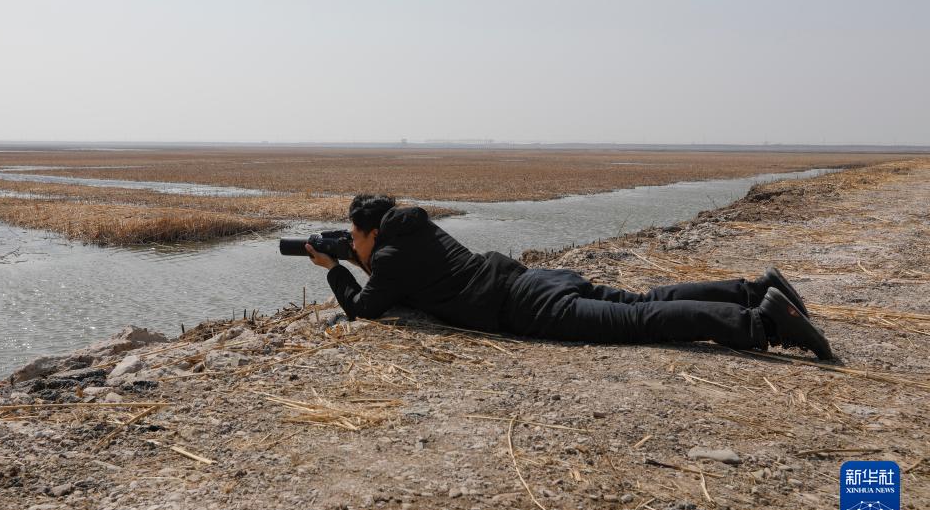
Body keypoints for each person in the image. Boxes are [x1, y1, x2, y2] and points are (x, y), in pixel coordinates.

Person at [305, 194, 834, 360]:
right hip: (538, 280)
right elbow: (400, 274)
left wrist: (334, 268)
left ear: (370, 232)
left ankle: (762, 323)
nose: (351, 244)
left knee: (643, 321)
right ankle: (754, 288)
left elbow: (365, 308)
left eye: (353, 237)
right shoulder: (416, 229)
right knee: (643, 299)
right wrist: (358, 258)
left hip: (530, 308)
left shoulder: (390, 257)